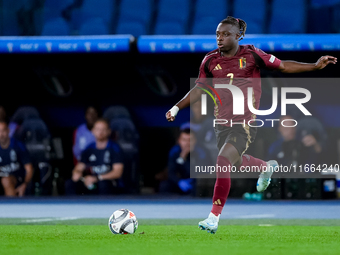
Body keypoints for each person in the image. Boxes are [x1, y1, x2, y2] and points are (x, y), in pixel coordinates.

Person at [165, 16, 337, 234]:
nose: (220, 38)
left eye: (226, 34)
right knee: (234, 164)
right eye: (218, 34)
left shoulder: (253, 54)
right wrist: (177, 107)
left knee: (222, 161)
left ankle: (213, 217)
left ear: (239, 36)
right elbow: (199, 88)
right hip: (222, 124)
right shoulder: (209, 60)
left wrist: (314, 66)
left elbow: (283, 66)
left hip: (244, 123)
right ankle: (265, 167)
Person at [65, 118, 124, 195]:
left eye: (103, 129)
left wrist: (98, 178)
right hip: (92, 182)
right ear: (93, 131)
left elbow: (117, 172)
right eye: (98, 129)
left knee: (103, 184)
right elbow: (79, 167)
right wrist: (77, 173)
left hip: (109, 183)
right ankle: (73, 206)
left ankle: (105, 206)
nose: (100, 132)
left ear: (109, 131)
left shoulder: (114, 148)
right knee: (70, 183)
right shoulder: (89, 149)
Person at [159, 128, 211, 195]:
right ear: (179, 141)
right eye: (184, 140)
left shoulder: (201, 152)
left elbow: (198, 172)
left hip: (195, 182)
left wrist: (184, 159)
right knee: (164, 186)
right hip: (180, 182)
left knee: (199, 186)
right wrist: (179, 182)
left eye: (190, 140)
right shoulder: (174, 152)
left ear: (195, 141)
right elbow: (171, 172)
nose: (187, 143)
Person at [0, 120, 34, 197]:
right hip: (2, 177)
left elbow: (29, 169)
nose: (1, 134)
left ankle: (12, 206)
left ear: (8, 131)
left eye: (3, 131)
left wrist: (25, 184)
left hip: (17, 178)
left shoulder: (17, 146)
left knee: (6, 180)